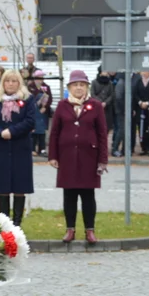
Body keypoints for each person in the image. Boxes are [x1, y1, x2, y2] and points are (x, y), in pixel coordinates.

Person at [48, 70, 108, 244]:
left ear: (87, 87)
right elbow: (55, 133)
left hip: (89, 156)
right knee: (69, 195)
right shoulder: (62, 106)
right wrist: (53, 155)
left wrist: (103, 159)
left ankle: (90, 230)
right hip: (66, 156)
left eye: (82, 84)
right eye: (75, 85)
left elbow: (102, 134)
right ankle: (70, 229)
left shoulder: (95, 105)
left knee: (88, 195)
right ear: (69, 87)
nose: (79, 88)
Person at [0, 70, 36, 226]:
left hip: (21, 148)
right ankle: (4, 224)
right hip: (1, 147)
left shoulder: (28, 99)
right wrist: (0, 132)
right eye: (7, 81)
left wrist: (12, 131)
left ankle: (17, 224)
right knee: (3, 186)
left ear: (19, 83)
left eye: (14, 81)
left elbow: (30, 121)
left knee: (20, 186)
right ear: (3, 83)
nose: (11, 84)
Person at [28, 69, 52, 156]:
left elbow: (50, 98)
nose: (40, 79)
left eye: (42, 77)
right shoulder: (30, 86)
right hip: (32, 111)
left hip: (42, 112)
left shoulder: (46, 87)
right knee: (33, 130)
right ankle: (32, 148)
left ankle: (42, 149)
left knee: (42, 130)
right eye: (39, 77)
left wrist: (45, 107)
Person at [110, 70, 128, 157]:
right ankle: (115, 149)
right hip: (121, 110)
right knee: (121, 130)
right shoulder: (121, 83)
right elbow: (118, 97)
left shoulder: (121, 82)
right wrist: (124, 109)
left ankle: (123, 149)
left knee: (123, 130)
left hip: (121, 110)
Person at [92, 70, 115, 136]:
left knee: (107, 127)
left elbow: (112, 94)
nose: (106, 72)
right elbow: (93, 94)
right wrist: (100, 102)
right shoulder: (94, 82)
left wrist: (106, 102)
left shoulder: (110, 83)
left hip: (107, 109)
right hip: (96, 107)